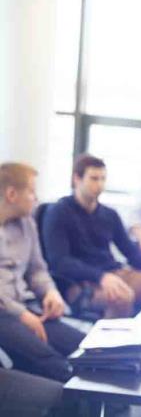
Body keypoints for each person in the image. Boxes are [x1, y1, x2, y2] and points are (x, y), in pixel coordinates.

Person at [42, 154, 141, 319]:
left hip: (113, 273)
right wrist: (100, 277)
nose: (99, 185)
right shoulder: (58, 212)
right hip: (78, 283)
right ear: (77, 179)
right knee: (121, 297)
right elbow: (60, 262)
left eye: (103, 179)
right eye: (94, 179)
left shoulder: (109, 214)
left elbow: (129, 249)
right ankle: (109, 337)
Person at [0, 163, 84, 382]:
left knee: (87, 347)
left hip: (29, 307)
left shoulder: (27, 223)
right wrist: (21, 314)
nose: (36, 198)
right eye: (31, 191)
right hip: (4, 314)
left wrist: (50, 293)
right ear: (11, 194)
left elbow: (37, 270)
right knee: (55, 364)